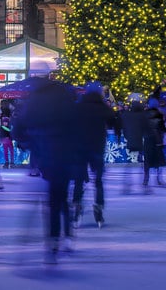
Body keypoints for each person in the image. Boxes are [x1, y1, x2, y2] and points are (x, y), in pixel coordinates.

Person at [22, 79, 79, 264]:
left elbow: (19, 128)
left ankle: (54, 241)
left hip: (46, 155)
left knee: (53, 200)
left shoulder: (36, 100)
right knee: (61, 197)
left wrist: (31, 143)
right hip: (67, 155)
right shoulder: (66, 99)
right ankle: (67, 235)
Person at [73, 81, 116, 227]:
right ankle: (98, 208)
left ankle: (77, 207)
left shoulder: (78, 106)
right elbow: (114, 119)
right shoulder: (102, 106)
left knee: (79, 180)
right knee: (98, 180)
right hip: (97, 147)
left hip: (79, 148)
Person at [142, 97, 166, 187]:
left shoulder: (145, 114)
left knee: (148, 160)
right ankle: (158, 178)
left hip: (148, 139)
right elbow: (162, 127)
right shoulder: (160, 114)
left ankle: (146, 178)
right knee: (158, 160)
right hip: (157, 140)